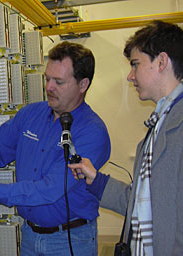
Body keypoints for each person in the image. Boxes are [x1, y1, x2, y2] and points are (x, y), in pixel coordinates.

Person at [0, 41, 111, 255]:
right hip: (29, 235)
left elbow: (50, 189)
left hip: (69, 240)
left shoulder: (92, 132)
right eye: (47, 78)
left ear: (83, 85)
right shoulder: (30, 115)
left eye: (59, 82)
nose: (49, 87)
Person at [69, 21, 183, 256]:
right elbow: (144, 203)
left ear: (161, 62)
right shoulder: (159, 125)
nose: (130, 76)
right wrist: (96, 181)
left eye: (135, 65)